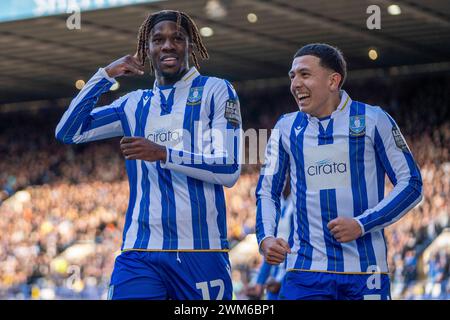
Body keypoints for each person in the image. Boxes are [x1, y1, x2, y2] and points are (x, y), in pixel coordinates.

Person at [55, 10, 242, 300]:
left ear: (190, 46)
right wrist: (105, 75)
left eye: (177, 38)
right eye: (158, 40)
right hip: (139, 253)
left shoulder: (216, 90)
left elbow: (229, 169)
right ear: (147, 49)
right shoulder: (133, 104)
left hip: (202, 251)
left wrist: (162, 153)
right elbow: (68, 132)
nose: (167, 45)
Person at [255, 43, 423, 300]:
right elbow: (267, 191)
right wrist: (266, 237)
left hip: (366, 272)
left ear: (333, 80)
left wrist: (361, 224)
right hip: (305, 271)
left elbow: (411, 183)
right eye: (292, 76)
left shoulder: (373, 120)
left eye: (304, 74)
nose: (295, 84)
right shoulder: (285, 128)